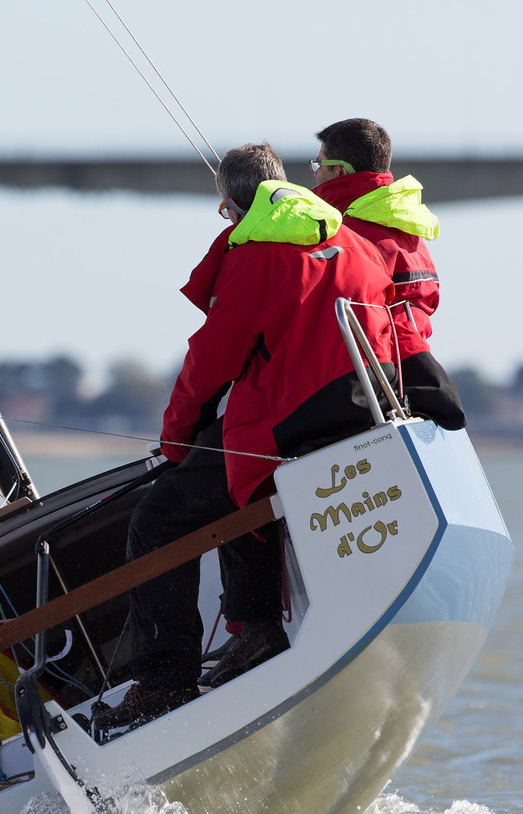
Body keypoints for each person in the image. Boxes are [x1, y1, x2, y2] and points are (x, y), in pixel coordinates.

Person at [107, 143, 398, 728]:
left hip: (289, 427)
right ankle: (258, 631)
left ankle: (164, 683)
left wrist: (175, 440)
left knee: (160, 518)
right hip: (364, 416)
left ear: (236, 207)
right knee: (230, 477)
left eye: (224, 213)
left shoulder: (257, 254)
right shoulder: (355, 241)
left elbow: (209, 362)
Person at [311, 118, 465, 429]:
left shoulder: (348, 237)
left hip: (369, 385)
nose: (315, 173)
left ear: (339, 171)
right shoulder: (410, 230)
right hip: (413, 382)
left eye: (319, 163)